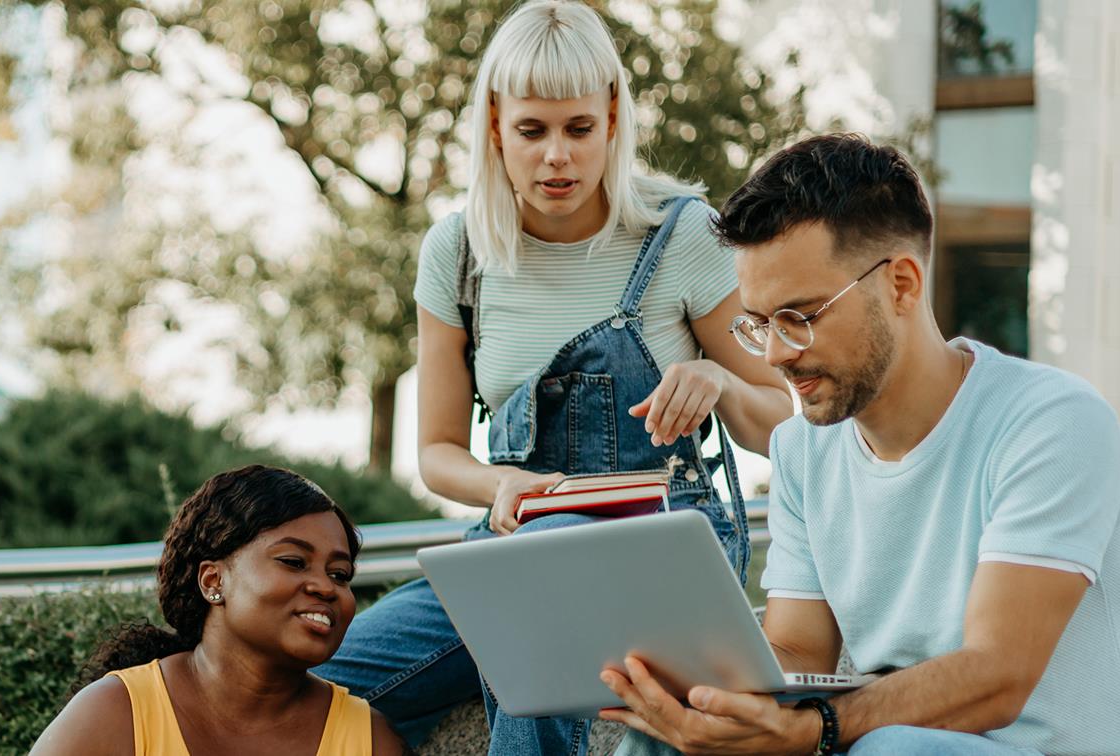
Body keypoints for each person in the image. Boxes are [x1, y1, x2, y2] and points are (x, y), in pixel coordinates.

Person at [313, 2, 793, 753]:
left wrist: (722, 385)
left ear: (612, 119)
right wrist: (504, 486)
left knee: (538, 606)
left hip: (663, 546)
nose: (557, 157)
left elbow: (786, 421)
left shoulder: (685, 236)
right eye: (532, 131)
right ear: (496, 126)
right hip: (507, 548)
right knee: (318, 686)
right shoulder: (458, 253)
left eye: (579, 129)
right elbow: (438, 453)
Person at [600, 133, 1120, 754]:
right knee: (668, 741)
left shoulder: (1052, 422)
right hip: (878, 743)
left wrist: (820, 731)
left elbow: (998, 674)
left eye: (801, 316)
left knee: (894, 750)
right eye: (759, 324)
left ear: (900, 284)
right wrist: (690, 687)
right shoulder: (801, 451)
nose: (774, 354)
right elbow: (795, 652)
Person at [33, 465, 404, 756]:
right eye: (293, 561)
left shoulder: (370, 740)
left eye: (340, 574)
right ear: (213, 581)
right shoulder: (117, 714)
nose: (326, 587)